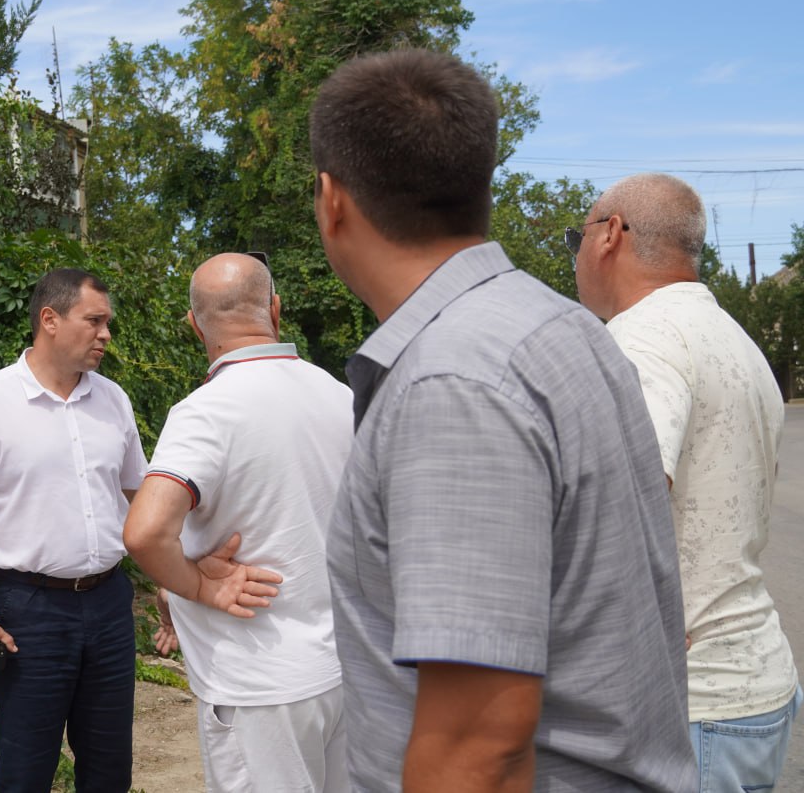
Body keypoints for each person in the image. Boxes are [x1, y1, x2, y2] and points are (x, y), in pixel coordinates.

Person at [309, 48, 697, 791]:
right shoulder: (557, 325)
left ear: (332, 199)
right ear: (478, 183)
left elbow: (478, 748)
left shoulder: (453, 381)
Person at [572, 172, 802, 790]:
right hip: (754, 686)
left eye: (577, 235)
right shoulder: (735, 340)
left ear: (611, 234)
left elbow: (621, 499)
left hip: (689, 706)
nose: (576, 254)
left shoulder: (642, 338)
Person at [123, 252, 352, 792]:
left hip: (260, 683)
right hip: (344, 670)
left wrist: (196, 584)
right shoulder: (339, 395)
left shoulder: (209, 410)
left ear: (193, 323)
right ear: (276, 310)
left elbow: (145, 532)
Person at [0, 268, 148, 792]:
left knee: (109, 766)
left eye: (108, 323)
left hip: (110, 604)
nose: (106, 334)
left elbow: (138, 497)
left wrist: (169, 576)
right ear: (49, 319)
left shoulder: (113, 401)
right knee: (26, 766)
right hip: (30, 611)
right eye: (94, 321)